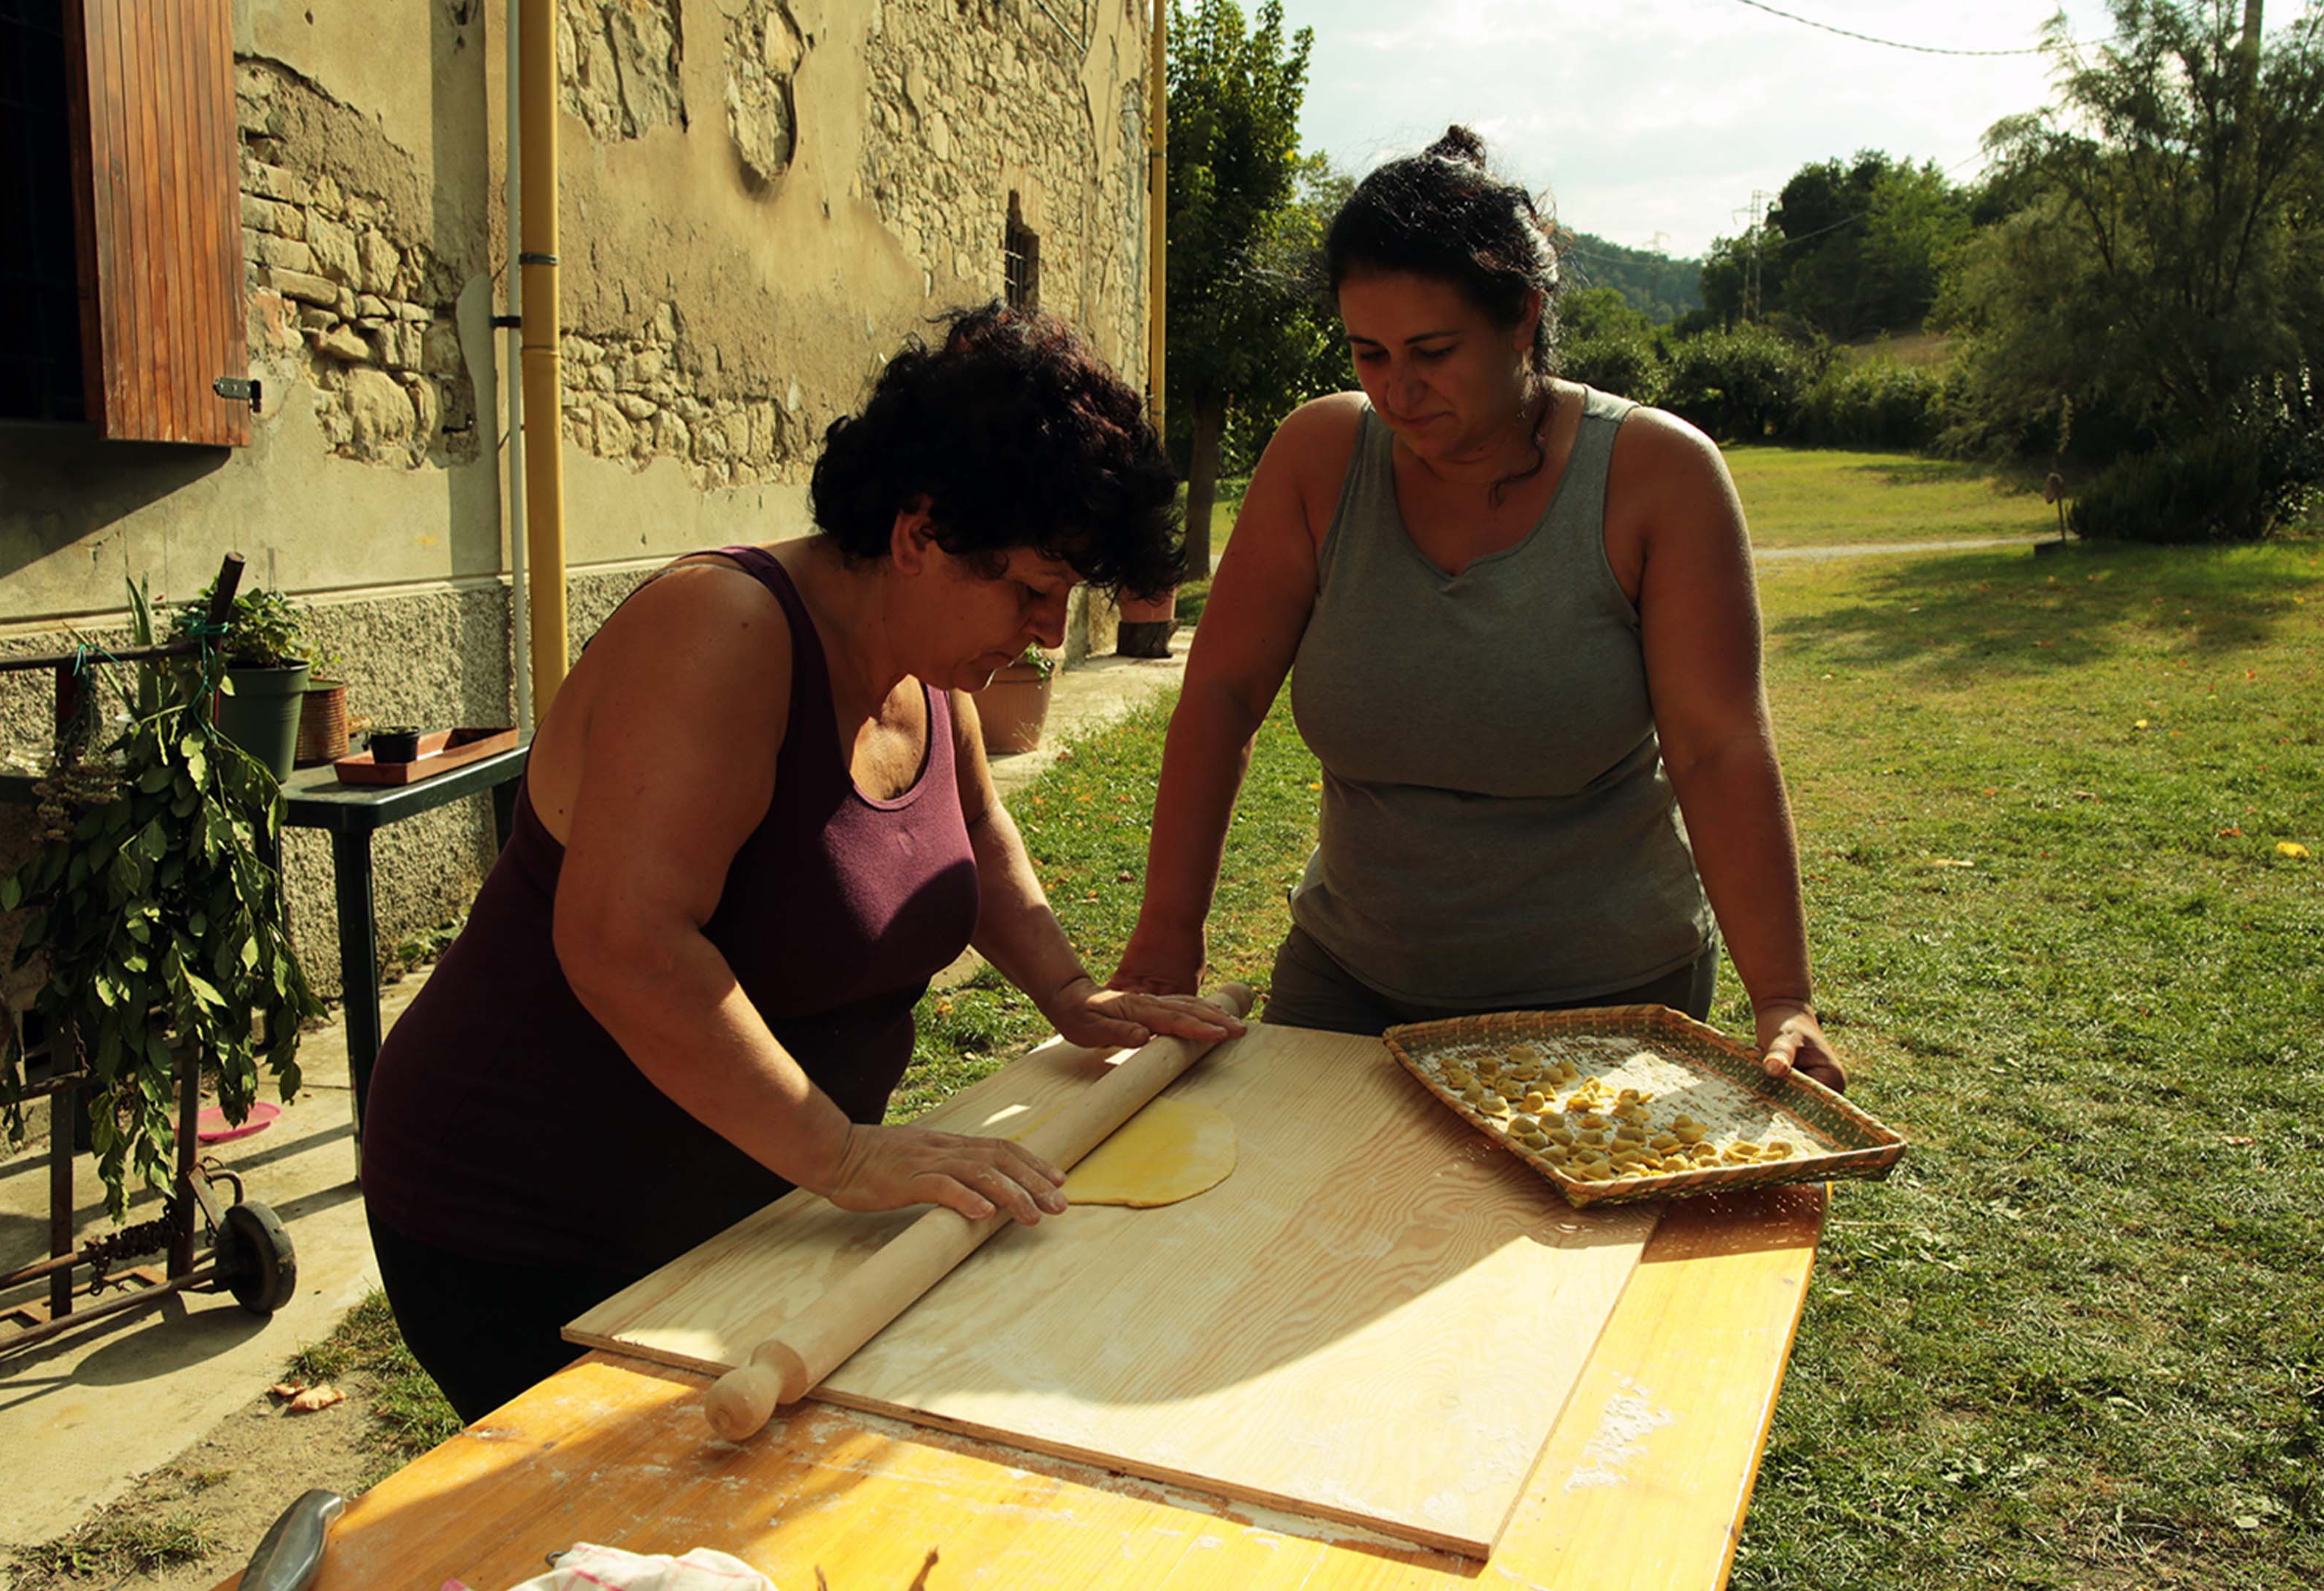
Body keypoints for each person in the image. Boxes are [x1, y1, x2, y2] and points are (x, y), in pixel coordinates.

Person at [361, 305, 1244, 1423]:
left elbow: (976, 834)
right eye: (1029, 590)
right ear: (919, 532)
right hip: (524, 1221)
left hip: (744, 1210)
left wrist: (1071, 994)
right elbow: (627, 943)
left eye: (1064, 597)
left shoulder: (930, 672)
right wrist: (841, 1156)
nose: (1048, 632)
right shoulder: (721, 630)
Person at [1112, 127, 1846, 1092]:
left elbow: (1718, 749)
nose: (1397, 389)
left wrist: (1783, 996)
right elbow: (1222, 696)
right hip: (1350, 981)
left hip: (1605, 1000)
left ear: (1522, 317)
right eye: (1368, 352)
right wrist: (1167, 936)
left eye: (1433, 351)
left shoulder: (1658, 476)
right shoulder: (1318, 459)